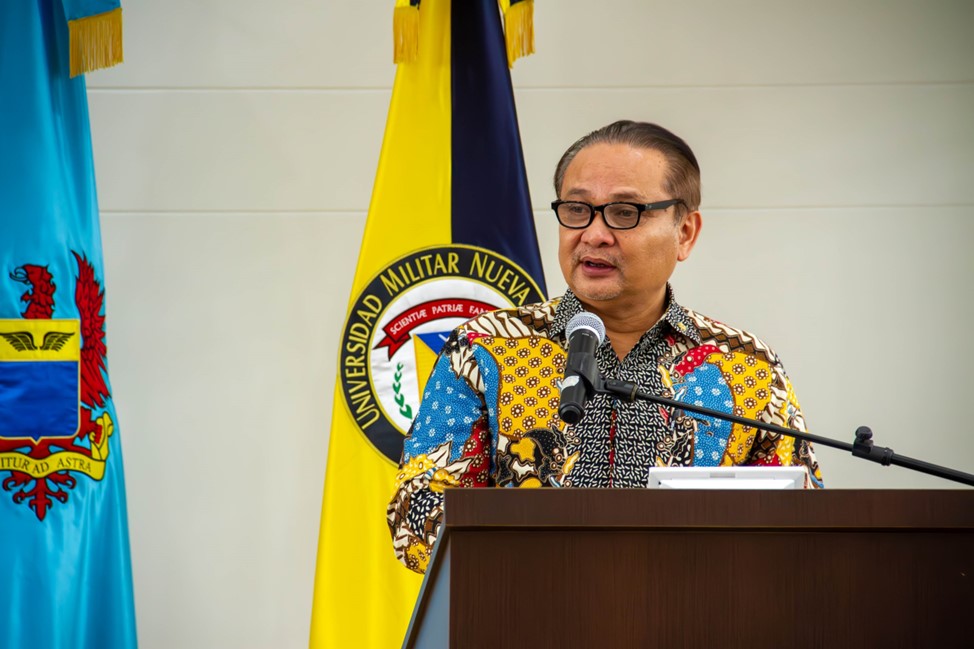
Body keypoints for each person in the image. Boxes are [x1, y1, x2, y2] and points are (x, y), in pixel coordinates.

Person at [386, 120, 823, 573]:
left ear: (685, 233)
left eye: (624, 212)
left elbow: (802, 526)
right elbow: (414, 513)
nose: (594, 234)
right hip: (522, 603)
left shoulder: (746, 365)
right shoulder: (486, 346)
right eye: (577, 209)